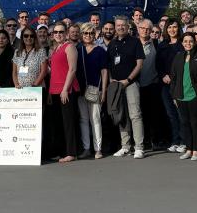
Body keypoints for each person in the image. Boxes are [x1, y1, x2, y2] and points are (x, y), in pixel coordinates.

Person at [167, 32, 197, 161]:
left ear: (194, 42)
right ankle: (188, 149)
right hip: (180, 96)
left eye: (190, 41)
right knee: (185, 123)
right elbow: (174, 77)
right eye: (185, 41)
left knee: (195, 123)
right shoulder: (178, 56)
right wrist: (174, 95)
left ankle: (196, 151)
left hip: (194, 96)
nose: (188, 43)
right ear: (182, 43)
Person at [108, 16, 146, 159]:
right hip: (116, 84)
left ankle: (139, 147)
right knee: (121, 115)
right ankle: (125, 146)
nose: (120, 27)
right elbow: (109, 64)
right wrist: (112, 79)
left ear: (128, 26)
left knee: (135, 115)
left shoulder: (135, 42)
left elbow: (139, 64)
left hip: (131, 84)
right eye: (118, 25)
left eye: (123, 25)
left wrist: (128, 79)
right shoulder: (112, 44)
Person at [48, 25, 80, 163]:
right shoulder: (55, 48)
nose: (58, 34)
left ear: (66, 33)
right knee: (58, 123)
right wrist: (50, 92)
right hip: (55, 91)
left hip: (66, 90)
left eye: (61, 32)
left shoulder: (69, 47)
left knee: (68, 122)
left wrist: (65, 89)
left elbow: (72, 69)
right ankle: (62, 151)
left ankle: (71, 152)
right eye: (56, 32)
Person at [76, 23, 108, 159]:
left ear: (95, 34)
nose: (88, 36)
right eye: (85, 33)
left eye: (90, 33)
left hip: (95, 89)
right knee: (83, 119)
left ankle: (98, 149)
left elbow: (104, 72)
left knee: (95, 119)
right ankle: (86, 148)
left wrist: (104, 91)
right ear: (82, 35)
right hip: (80, 90)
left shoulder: (100, 50)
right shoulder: (78, 49)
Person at [136, 19, 166, 151]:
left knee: (153, 115)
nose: (145, 31)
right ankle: (143, 141)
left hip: (152, 84)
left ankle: (155, 140)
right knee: (138, 115)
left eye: (148, 29)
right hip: (136, 85)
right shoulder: (133, 43)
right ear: (138, 28)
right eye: (143, 28)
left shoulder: (156, 44)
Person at [157, 19, 184, 153]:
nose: (172, 30)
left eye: (175, 27)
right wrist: (163, 75)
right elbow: (158, 64)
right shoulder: (162, 45)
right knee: (171, 114)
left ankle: (184, 141)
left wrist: (174, 78)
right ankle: (175, 140)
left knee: (181, 113)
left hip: (179, 84)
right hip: (165, 84)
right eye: (170, 27)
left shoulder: (182, 44)